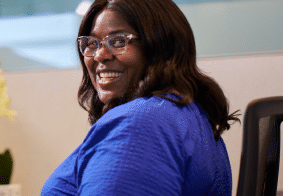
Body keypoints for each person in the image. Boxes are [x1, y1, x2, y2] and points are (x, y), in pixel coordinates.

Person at [41, 0, 240, 195]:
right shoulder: (185, 115)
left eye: (118, 41)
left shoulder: (138, 125)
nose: (99, 55)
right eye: (91, 43)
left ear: (160, 45)